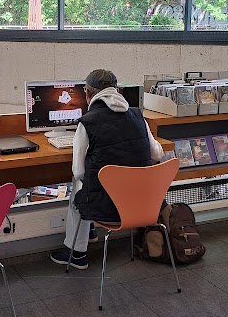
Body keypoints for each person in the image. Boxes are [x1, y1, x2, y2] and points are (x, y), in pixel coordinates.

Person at [50, 69, 163, 269]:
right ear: (117, 90)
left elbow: (78, 172)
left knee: (79, 186)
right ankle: (90, 230)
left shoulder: (87, 123)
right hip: (143, 204)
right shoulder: (138, 116)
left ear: (87, 94)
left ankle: (76, 253)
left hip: (107, 208)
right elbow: (157, 155)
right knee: (94, 183)